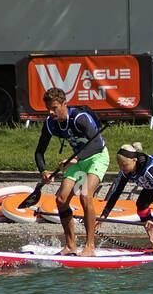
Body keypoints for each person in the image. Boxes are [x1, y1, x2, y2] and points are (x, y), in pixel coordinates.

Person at [34, 88, 109, 256]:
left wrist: (75, 159)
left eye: (54, 108)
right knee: (61, 199)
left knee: (85, 196)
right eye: (48, 108)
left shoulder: (79, 118)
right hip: (77, 160)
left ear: (64, 104)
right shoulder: (50, 123)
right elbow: (39, 152)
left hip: (96, 157)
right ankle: (71, 245)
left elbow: (97, 144)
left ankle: (90, 246)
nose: (51, 112)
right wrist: (43, 171)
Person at [100, 143, 153, 251]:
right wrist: (104, 215)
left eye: (125, 165)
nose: (122, 169)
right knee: (141, 204)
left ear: (134, 161)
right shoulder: (125, 171)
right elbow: (116, 192)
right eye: (120, 166)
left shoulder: (150, 170)